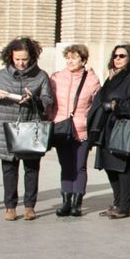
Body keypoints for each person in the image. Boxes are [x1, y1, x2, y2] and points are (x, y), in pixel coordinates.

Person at [0, 37, 55, 222]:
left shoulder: (41, 76)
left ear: (31, 57)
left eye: (25, 59)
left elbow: (48, 102)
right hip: (6, 126)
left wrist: (34, 100)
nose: (21, 63)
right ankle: (10, 206)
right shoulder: (1, 75)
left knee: (31, 168)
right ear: (10, 57)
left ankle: (30, 206)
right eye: (17, 59)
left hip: (30, 126)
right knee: (9, 168)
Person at [89, 44, 130, 218]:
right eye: (115, 56)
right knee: (109, 166)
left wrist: (116, 105)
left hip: (121, 127)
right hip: (106, 126)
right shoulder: (112, 76)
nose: (117, 59)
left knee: (122, 167)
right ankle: (116, 202)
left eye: (122, 56)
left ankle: (124, 206)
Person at [49, 44, 101, 218]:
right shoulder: (56, 78)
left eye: (75, 58)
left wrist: (92, 125)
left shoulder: (92, 80)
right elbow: (50, 102)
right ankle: (65, 201)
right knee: (66, 165)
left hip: (82, 129)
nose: (70, 61)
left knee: (79, 166)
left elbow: (96, 106)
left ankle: (77, 203)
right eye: (68, 58)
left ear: (83, 60)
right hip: (61, 127)